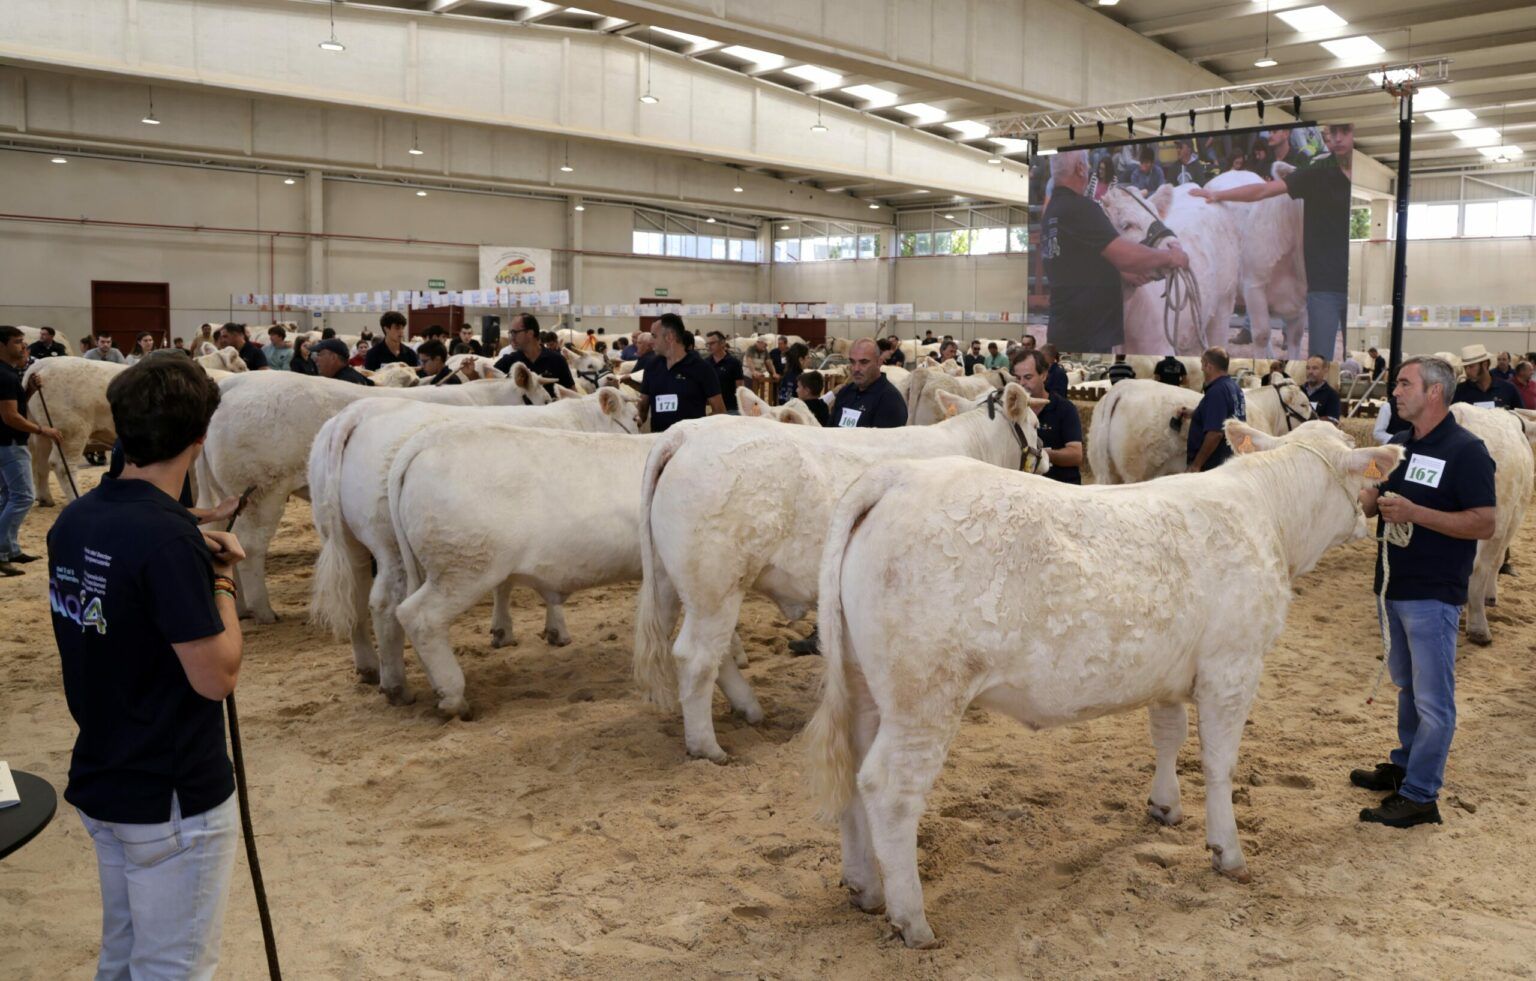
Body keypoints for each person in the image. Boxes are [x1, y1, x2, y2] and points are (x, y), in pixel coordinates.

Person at [48, 354, 248, 978]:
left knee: (125, 956)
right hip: (171, 794)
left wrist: (189, 525)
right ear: (200, 437)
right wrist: (221, 581)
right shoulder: (169, 545)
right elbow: (215, 677)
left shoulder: (75, 519)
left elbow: (133, 531)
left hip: (107, 773)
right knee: (172, 968)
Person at [1353, 356, 1496, 828]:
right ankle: (1405, 766)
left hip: (1433, 593)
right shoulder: (1397, 444)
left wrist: (1416, 514)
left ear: (1434, 392)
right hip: (1393, 587)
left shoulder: (1467, 450)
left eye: (1404, 383)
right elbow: (1370, 507)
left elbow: (1485, 521)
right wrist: (1371, 494)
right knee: (1408, 687)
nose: (1395, 391)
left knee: (1433, 699)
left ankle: (1420, 794)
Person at [1194, 124, 1354, 360]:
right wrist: (1218, 195)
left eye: (1345, 132)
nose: (1338, 139)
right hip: (1324, 284)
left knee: (1358, 355)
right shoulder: (1318, 170)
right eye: (1334, 133)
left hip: (1354, 284)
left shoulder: (1365, 170)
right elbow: (1263, 191)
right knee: (1321, 359)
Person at [1041, 150, 1190, 353]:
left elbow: (1079, 261)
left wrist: (1118, 272)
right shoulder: (1082, 208)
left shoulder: (1052, 212)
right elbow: (1124, 255)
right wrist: (1169, 257)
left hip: (1063, 328)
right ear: (1080, 168)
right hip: (1088, 335)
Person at [1, 326, 63, 575]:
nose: (23, 347)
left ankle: (11, 549)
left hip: (4, 443)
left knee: (7, 497)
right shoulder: (4, 376)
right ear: (2, 345)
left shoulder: (8, 374)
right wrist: (42, 430)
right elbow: (10, 417)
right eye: (17, 342)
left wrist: (29, 391)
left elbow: (12, 406)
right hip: (10, 444)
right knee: (24, 497)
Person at [640, 314, 723, 433]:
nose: (650, 341)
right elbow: (642, 409)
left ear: (669, 337)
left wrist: (697, 428)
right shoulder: (651, 366)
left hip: (690, 445)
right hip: (658, 441)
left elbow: (719, 412)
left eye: (654, 336)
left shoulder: (702, 368)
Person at [1011, 349, 1082, 484]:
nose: (1021, 384)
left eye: (1027, 377)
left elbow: (1076, 455)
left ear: (1043, 375)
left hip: (1060, 488)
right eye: (1017, 378)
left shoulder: (1064, 408)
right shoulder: (1012, 411)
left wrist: (1039, 455)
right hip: (1026, 488)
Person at [1175, 347, 1245, 473]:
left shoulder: (1217, 392)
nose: (1201, 368)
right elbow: (1225, 416)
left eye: (1202, 364)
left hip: (1212, 467)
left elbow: (1215, 433)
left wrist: (1196, 465)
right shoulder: (1234, 387)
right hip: (1227, 461)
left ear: (1208, 365)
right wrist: (1194, 413)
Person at [829, 337, 907, 429]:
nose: (856, 369)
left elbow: (885, 441)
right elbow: (830, 432)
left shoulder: (890, 400)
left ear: (879, 362)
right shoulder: (844, 393)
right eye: (852, 362)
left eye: (864, 362)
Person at [493, 314, 573, 395]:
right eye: (510, 333)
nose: (511, 337)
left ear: (530, 333)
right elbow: (487, 383)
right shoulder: (508, 361)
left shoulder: (557, 360)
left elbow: (572, 393)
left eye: (514, 332)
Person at [1452, 344, 1524, 409]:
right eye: (1465, 367)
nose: (1467, 371)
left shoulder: (1508, 389)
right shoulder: (1459, 391)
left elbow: (1521, 417)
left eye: (1471, 366)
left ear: (1485, 365)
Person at [704, 331, 746, 413]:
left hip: (731, 408)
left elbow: (740, 387)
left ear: (722, 343)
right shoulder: (705, 363)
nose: (709, 346)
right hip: (711, 407)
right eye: (707, 344)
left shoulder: (734, 363)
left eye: (712, 343)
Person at [1303, 355, 1342, 424]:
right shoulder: (1298, 391)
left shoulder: (1332, 395)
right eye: (1308, 368)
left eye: (1315, 368)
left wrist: (1308, 422)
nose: (1310, 372)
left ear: (1325, 370)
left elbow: (1333, 421)